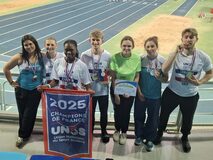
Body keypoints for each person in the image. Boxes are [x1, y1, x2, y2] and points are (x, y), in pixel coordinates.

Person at [154, 28, 213, 152]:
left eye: (191, 37)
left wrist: (200, 82)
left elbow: (210, 72)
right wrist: (175, 52)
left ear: (196, 39)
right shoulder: (176, 54)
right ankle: (159, 133)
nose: (188, 39)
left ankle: (185, 137)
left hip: (191, 95)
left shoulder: (203, 57)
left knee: (187, 119)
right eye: (185, 37)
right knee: (163, 115)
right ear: (182, 39)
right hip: (172, 92)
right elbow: (164, 70)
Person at [3, 34, 44, 148]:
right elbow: (6, 68)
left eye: (30, 44)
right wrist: (11, 82)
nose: (28, 46)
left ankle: (21, 136)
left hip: (36, 90)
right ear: (23, 46)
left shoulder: (41, 56)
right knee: (23, 113)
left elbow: (54, 58)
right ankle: (26, 133)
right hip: (21, 89)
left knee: (29, 113)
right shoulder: (19, 57)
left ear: (35, 44)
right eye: (26, 45)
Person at [134, 36, 168, 152]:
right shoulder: (140, 59)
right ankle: (138, 136)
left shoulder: (163, 60)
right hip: (141, 95)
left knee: (153, 119)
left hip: (155, 96)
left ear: (156, 47)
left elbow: (166, 79)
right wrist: (139, 92)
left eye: (152, 46)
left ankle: (149, 139)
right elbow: (136, 77)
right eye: (147, 47)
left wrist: (160, 77)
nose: (150, 49)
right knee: (139, 116)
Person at [81, 29, 111, 143]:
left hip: (103, 90)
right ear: (89, 40)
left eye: (97, 40)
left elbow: (110, 71)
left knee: (104, 113)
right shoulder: (84, 55)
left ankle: (104, 132)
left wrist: (108, 77)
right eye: (93, 40)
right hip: (90, 90)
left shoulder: (108, 56)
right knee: (90, 113)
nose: (95, 42)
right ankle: (90, 132)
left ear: (102, 40)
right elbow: (82, 72)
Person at [110, 36, 141, 145]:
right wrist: (116, 94)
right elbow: (113, 77)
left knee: (126, 112)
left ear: (132, 46)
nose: (126, 48)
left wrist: (131, 89)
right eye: (124, 45)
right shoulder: (115, 57)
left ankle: (124, 132)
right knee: (117, 111)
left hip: (129, 90)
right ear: (121, 46)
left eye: (129, 46)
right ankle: (117, 130)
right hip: (116, 89)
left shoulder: (137, 58)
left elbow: (137, 76)